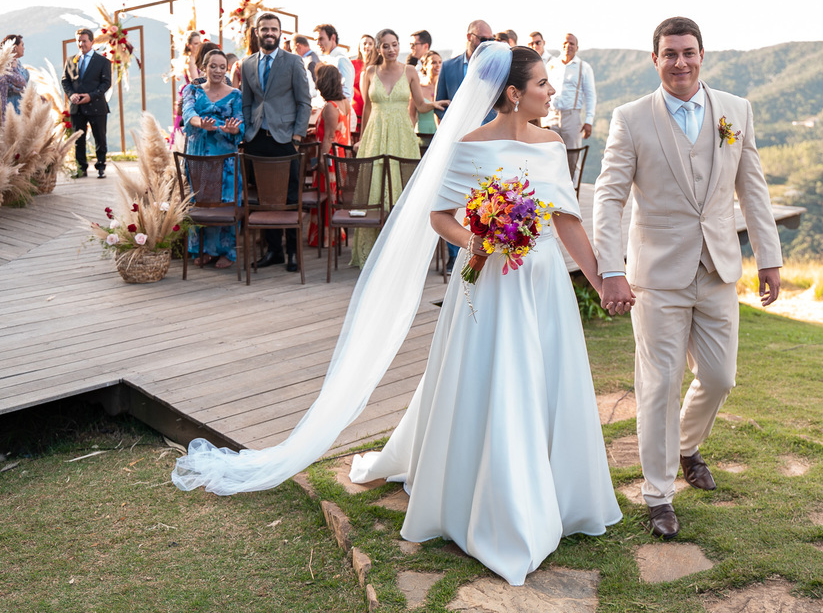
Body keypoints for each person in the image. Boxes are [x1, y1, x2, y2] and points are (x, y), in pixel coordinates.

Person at [173, 43, 621, 588]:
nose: (551, 92)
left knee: (546, 377)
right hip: (490, 281)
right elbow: (441, 217)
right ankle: (490, 499)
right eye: (543, 84)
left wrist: (601, 280)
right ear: (513, 93)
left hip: (542, 280)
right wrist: (480, 241)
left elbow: (568, 220)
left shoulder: (552, 144)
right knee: (495, 379)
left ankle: (559, 490)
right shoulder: (470, 145)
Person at [593, 16, 783, 540]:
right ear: (654, 59)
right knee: (658, 384)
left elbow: (754, 190)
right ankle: (658, 495)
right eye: (670, 53)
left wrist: (770, 258)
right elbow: (609, 196)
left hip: (718, 268)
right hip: (656, 275)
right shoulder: (631, 119)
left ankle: (685, 445)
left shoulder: (735, 111)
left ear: (703, 55)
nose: (681, 62)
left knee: (721, 376)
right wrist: (611, 270)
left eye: (689, 52)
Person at [351, 29, 446, 267]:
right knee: (375, 191)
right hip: (375, 136)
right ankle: (373, 252)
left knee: (402, 191)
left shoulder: (410, 71)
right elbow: (367, 109)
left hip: (403, 137)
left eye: (394, 45)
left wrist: (437, 104)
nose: (391, 50)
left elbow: (421, 105)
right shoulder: (369, 72)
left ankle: (400, 252)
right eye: (386, 46)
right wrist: (362, 139)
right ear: (378, 49)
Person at [241, 13, 312, 273]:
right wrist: (247, 133)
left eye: (274, 29)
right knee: (264, 197)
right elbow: (247, 102)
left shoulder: (293, 62)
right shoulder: (247, 64)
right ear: (257, 32)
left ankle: (293, 252)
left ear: (280, 32)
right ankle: (274, 251)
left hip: (285, 140)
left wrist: (297, 137)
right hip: (256, 139)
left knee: (291, 195)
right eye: (264, 29)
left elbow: (304, 102)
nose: (269, 33)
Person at [435, 19, 493, 267]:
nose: (488, 44)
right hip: (457, 143)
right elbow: (440, 103)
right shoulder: (449, 67)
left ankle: (483, 246)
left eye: (491, 39)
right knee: (453, 199)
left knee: (484, 198)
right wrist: (452, 129)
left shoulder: (493, 67)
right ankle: (453, 253)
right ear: (469, 36)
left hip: (488, 142)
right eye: (483, 39)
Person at [182, 51, 243, 269]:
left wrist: (234, 129)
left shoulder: (236, 95)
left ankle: (227, 252)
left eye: (222, 67)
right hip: (199, 156)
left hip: (225, 158)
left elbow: (241, 124)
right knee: (201, 201)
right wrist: (201, 124)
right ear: (204, 68)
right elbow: (187, 114)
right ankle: (203, 250)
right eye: (213, 66)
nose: (217, 71)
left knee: (225, 202)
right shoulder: (192, 90)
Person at [307, 64, 352, 248]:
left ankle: (325, 238)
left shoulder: (329, 107)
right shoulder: (344, 103)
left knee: (326, 197)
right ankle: (332, 235)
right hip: (341, 155)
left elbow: (329, 137)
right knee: (334, 197)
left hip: (331, 158)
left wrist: (321, 161)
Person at [61, 29, 112, 178]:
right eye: (78, 41)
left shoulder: (103, 61)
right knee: (78, 140)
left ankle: (101, 166)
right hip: (77, 107)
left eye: (84, 40)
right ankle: (81, 168)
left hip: (96, 106)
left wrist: (91, 96)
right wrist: (71, 95)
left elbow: (106, 83)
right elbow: (65, 81)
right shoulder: (71, 60)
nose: (81, 44)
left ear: (92, 42)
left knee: (100, 138)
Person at [544, 33, 596, 149]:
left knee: (572, 155)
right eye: (565, 43)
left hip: (572, 116)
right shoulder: (551, 65)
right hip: (551, 115)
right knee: (550, 152)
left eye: (571, 43)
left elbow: (590, 95)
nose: (568, 46)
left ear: (577, 48)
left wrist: (589, 121)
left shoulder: (584, 67)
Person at [314, 23, 355, 102]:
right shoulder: (326, 59)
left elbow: (346, 92)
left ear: (333, 38)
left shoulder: (341, 60)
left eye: (321, 39)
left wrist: (335, 108)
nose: (318, 43)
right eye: (316, 40)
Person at [410, 51, 441, 135]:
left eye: (440, 62)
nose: (438, 65)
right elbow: (411, 115)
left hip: (441, 134)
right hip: (422, 134)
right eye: (434, 62)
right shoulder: (418, 88)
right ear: (425, 66)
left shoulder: (445, 87)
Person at [0, 34, 29, 121]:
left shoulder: (19, 63)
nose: (24, 48)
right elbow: (21, 82)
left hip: (20, 107)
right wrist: (13, 67)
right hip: (10, 109)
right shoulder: (4, 65)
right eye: (22, 45)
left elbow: (24, 86)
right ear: (15, 47)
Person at [351, 33, 376, 125]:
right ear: (359, 47)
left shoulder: (377, 67)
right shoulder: (351, 65)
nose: (367, 46)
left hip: (372, 111)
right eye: (364, 43)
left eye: (370, 44)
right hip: (355, 110)